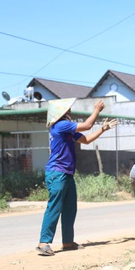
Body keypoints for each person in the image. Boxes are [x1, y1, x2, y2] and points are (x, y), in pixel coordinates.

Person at [36, 99, 118, 256]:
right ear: (61, 113)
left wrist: (102, 129)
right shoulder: (61, 125)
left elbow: (86, 140)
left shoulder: (66, 129)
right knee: (54, 207)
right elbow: (87, 126)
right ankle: (43, 242)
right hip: (57, 172)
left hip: (65, 173)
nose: (70, 112)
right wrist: (96, 110)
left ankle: (67, 241)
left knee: (69, 207)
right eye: (67, 110)